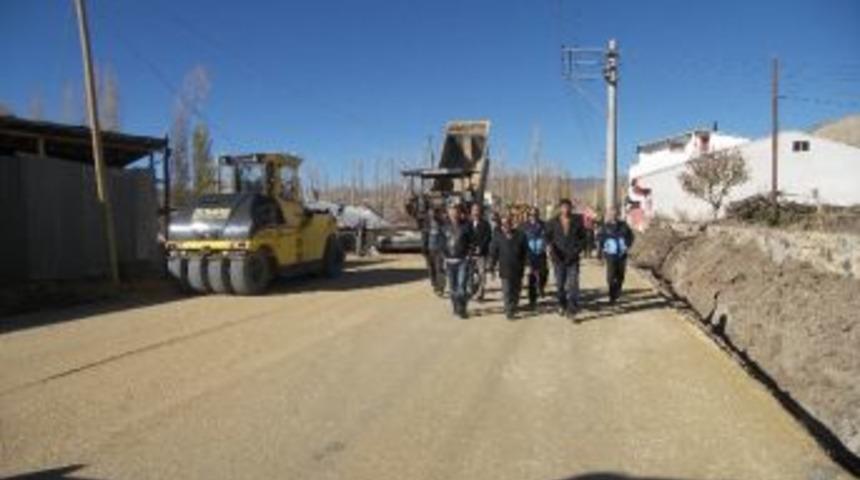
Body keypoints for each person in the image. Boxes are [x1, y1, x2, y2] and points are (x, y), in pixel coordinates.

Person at [544, 198, 588, 319]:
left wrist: (577, 251)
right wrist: (549, 247)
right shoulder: (552, 222)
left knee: (573, 284)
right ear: (560, 208)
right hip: (558, 258)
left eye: (568, 207)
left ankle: (572, 309)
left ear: (571, 208)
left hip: (573, 258)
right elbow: (547, 237)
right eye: (563, 207)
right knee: (560, 285)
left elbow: (583, 239)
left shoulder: (577, 221)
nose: (566, 209)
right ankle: (561, 304)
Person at [489, 215, 528, 320]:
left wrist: (528, 265)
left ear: (511, 224)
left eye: (508, 223)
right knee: (507, 291)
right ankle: (509, 311)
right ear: (501, 226)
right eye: (503, 224)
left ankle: (514, 305)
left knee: (516, 291)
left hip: (518, 269)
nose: (505, 226)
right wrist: (491, 267)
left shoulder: (521, 236)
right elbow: (493, 253)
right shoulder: (498, 237)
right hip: (505, 269)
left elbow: (525, 252)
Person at [442, 203, 473, 319]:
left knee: (461, 287)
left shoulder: (466, 226)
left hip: (462, 261)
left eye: (456, 212)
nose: (454, 214)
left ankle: (462, 309)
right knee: (452, 288)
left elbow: (472, 241)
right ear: (449, 213)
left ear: (459, 213)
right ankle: (455, 307)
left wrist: (469, 255)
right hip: (449, 262)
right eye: (451, 211)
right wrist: (443, 256)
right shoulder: (444, 227)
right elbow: (441, 243)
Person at [598, 206, 635, 304]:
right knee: (610, 276)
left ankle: (618, 290)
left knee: (620, 275)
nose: (612, 215)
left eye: (614, 214)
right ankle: (612, 295)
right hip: (610, 254)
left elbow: (631, 236)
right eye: (611, 213)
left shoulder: (624, 225)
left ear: (617, 215)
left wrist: (627, 245)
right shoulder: (605, 227)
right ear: (608, 215)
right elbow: (600, 239)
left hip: (622, 255)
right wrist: (602, 251)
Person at [521, 207, 548, 309]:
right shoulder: (524, 226)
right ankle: (532, 300)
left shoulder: (544, 225)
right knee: (531, 276)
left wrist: (547, 244)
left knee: (544, 273)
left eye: (536, 214)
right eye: (532, 214)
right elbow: (520, 238)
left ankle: (541, 287)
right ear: (529, 215)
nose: (534, 216)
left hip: (541, 253)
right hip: (530, 254)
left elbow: (549, 236)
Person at [468, 203, 492, 301]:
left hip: (482, 253)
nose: (475, 212)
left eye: (477, 210)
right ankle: (471, 291)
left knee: (482, 274)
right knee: (470, 274)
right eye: (474, 210)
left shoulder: (485, 224)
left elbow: (488, 237)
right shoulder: (468, 223)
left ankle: (480, 293)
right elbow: (465, 237)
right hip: (470, 253)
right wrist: (470, 247)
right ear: (471, 211)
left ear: (480, 212)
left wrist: (481, 247)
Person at [424, 207, 446, 296]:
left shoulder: (442, 223)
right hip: (429, 249)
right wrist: (424, 248)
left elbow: (446, 235)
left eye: (434, 213)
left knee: (439, 268)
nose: (432, 215)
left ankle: (440, 287)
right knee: (431, 268)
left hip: (440, 249)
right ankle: (435, 284)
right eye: (430, 213)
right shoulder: (426, 224)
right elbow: (424, 236)